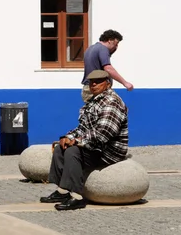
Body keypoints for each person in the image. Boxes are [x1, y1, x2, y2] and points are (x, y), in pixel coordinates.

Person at [40, 69, 129, 211]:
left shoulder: (112, 102)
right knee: (60, 148)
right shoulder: (94, 101)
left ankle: (77, 197)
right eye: (91, 82)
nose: (93, 85)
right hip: (94, 146)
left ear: (108, 84)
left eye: (98, 82)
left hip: (108, 150)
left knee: (73, 151)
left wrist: (76, 141)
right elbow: (82, 127)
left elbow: (103, 133)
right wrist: (68, 137)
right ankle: (63, 191)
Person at [81, 29, 133, 103]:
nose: (116, 47)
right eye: (116, 43)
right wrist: (125, 83)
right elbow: (108, 68)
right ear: (110, 40)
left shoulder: (90, 48)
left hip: (88, 88)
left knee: (92, 112)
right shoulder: (103, 49)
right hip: (98, 89)